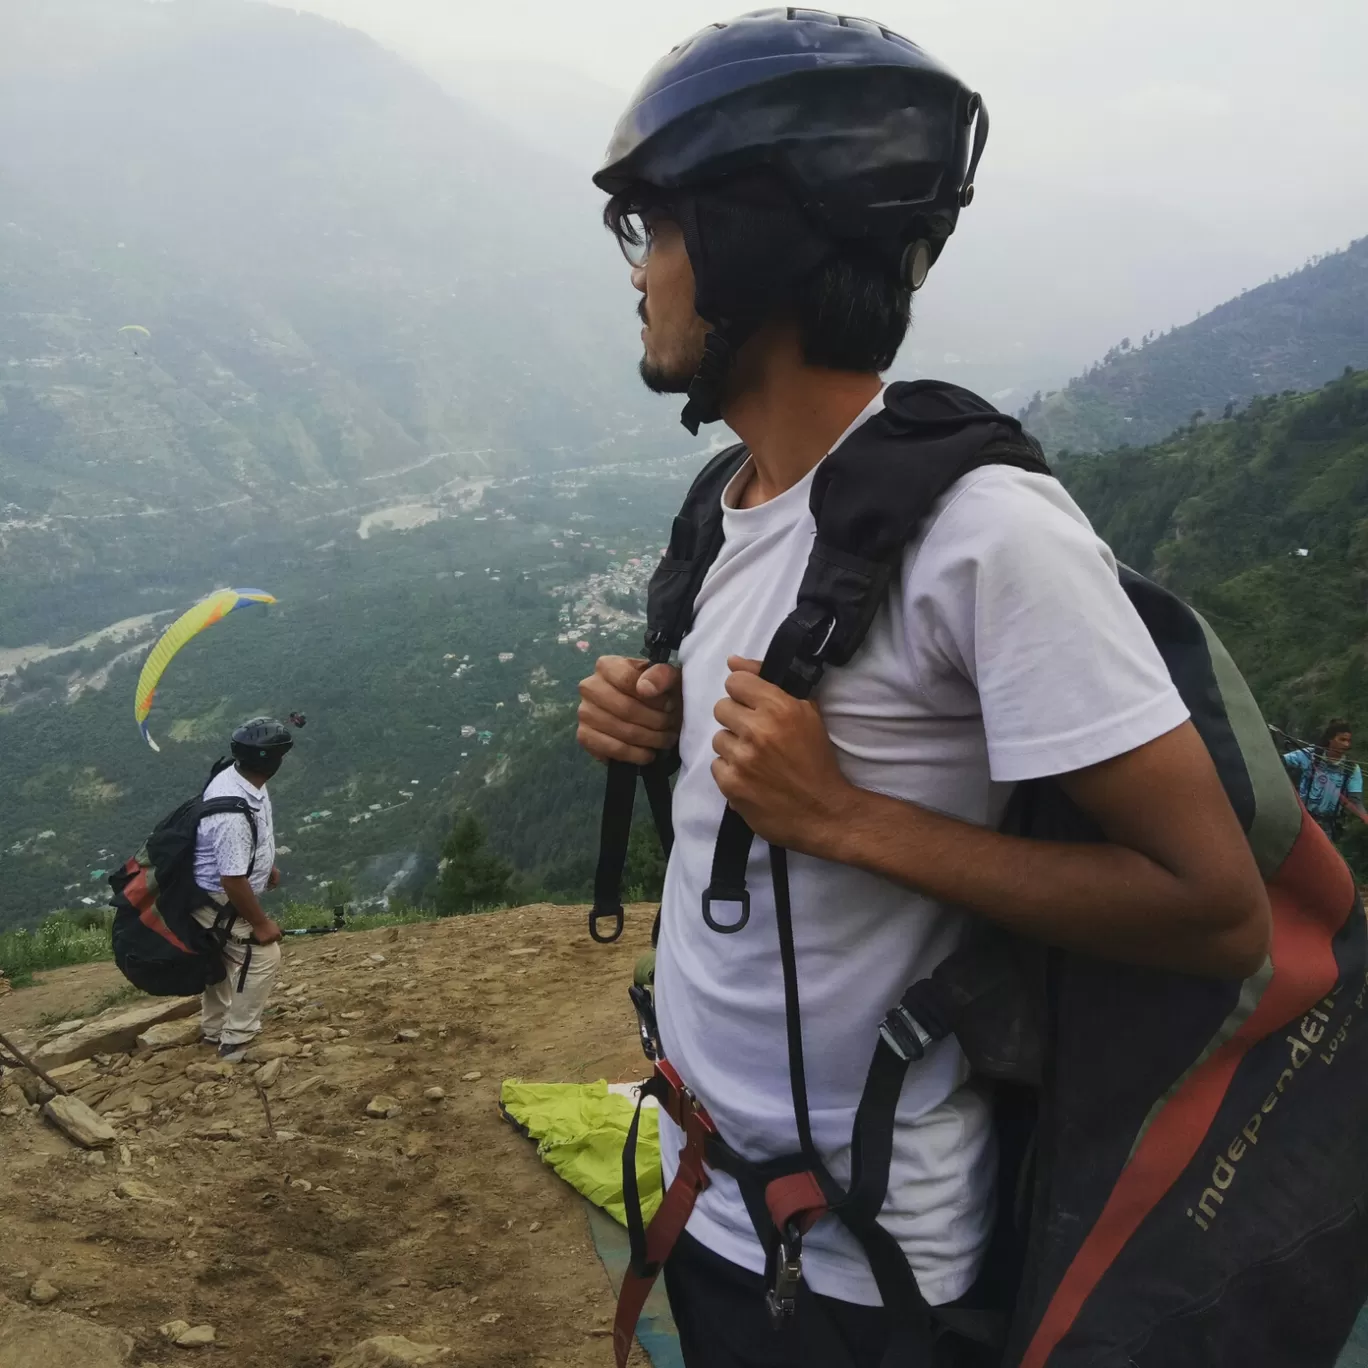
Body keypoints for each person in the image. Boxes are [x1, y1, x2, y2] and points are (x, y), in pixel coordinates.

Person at [576, 11, 1270, 1367]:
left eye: (653, 228)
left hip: (862, 1273)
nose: (639, 271)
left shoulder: (986, 533)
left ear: (749, 242)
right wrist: (656, 732)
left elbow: (1214, 910)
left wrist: (843, 818)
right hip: (708, 1202)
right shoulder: (732, 508)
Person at [193, 717, 291, 1062]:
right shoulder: (232, 810)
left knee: (220, 957)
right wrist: (262, 924)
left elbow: (252, 838)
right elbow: (232, 880)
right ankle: (235, 1041)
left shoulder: (242, 779)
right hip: (216, 899)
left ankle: (213, 1029)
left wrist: (266, 866)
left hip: (216, 892)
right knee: (264, 956)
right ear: (272, 760)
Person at [1283, 719, 1367, 841]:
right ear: (1330, 739)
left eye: (1348, 741)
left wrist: (1364, 816)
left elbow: (1355, 800)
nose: (1346, 745)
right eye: (1342, 740)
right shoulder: (1310, 755)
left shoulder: (1352, 769)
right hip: (1302, 820)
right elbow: (1281, 761)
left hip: (1328, 826)